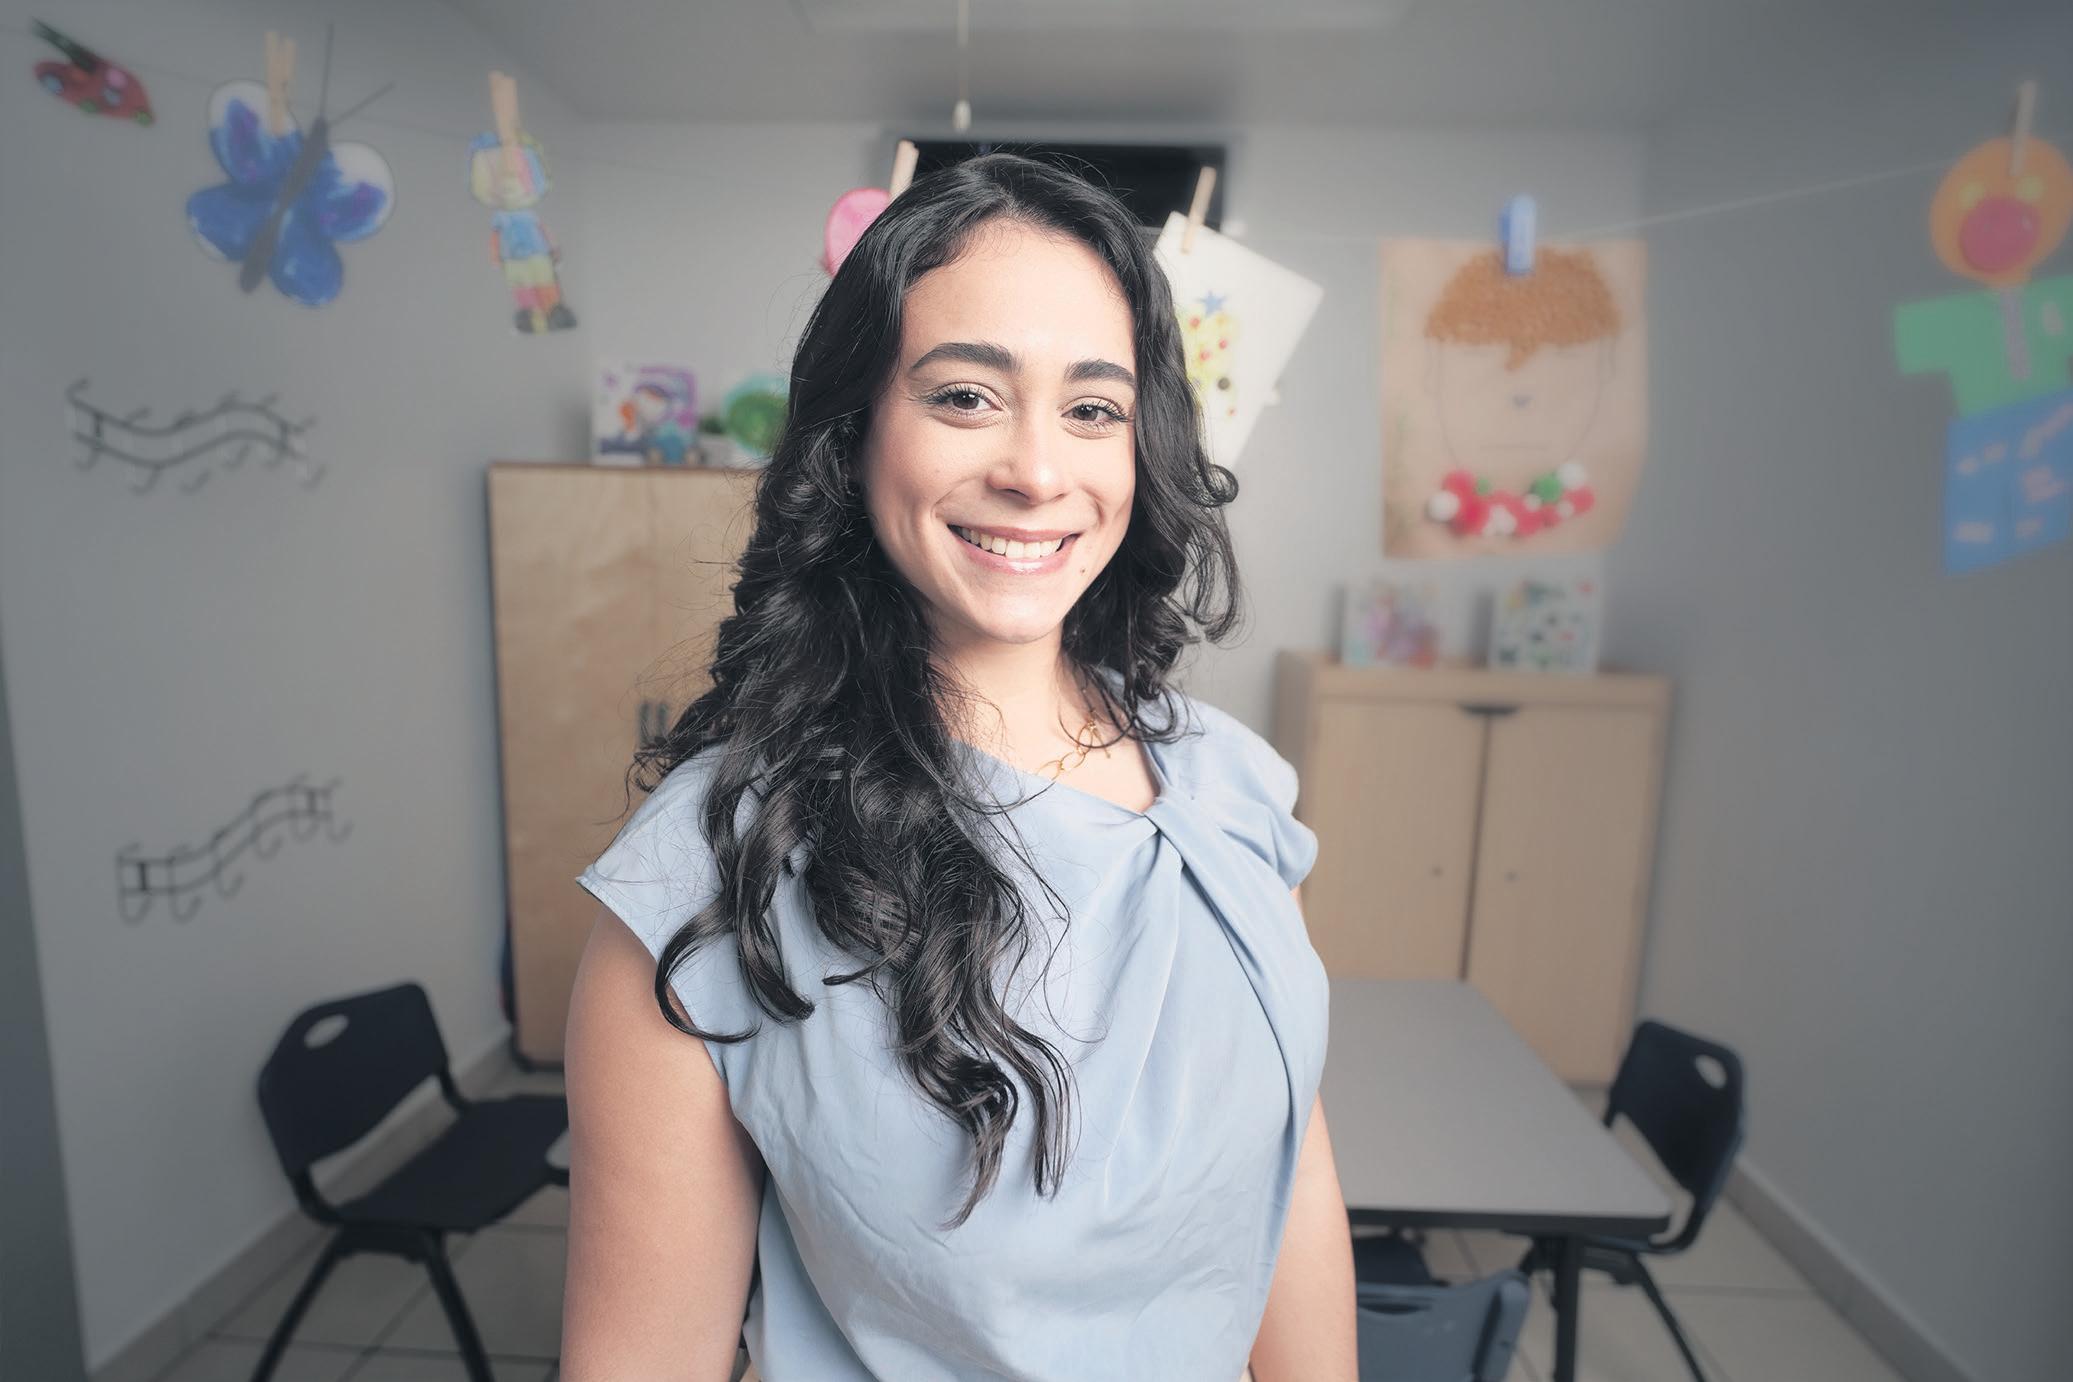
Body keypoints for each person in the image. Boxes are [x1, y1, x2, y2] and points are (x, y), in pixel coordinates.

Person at [559, 152, 1356, 1382]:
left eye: (1092, 408)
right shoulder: (708, 874)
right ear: (855, 434)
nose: (1037, 470)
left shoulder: (1233, 790)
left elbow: (1286, 1176)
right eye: (967, 396)